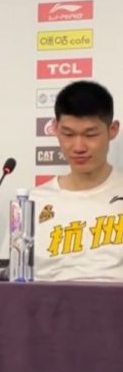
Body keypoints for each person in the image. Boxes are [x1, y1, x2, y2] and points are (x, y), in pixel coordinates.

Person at [32, 80, 123, 281]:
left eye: (91, 135)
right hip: (46, 301)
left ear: (112, 130)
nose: (79, 147)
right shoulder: (31, 204)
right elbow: (9, 282)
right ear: (55, 129)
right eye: (68, 134)